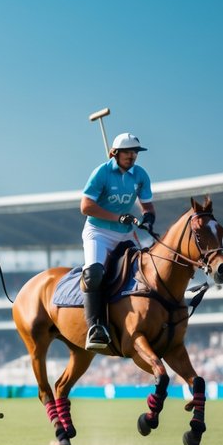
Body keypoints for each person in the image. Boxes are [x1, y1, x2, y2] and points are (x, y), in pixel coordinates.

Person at [79, 132, 156, 351]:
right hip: (98, 232)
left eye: (135, 152)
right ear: (115, 153)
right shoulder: (101, 173)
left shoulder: (140, 175)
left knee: (145, 271)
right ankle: (96, 327)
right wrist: (118, 217)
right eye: (127, 152)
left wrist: (149, 216)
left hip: (125, 233)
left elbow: (147, 204)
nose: (132, 156)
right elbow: (85, 206)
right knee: (94, 274)